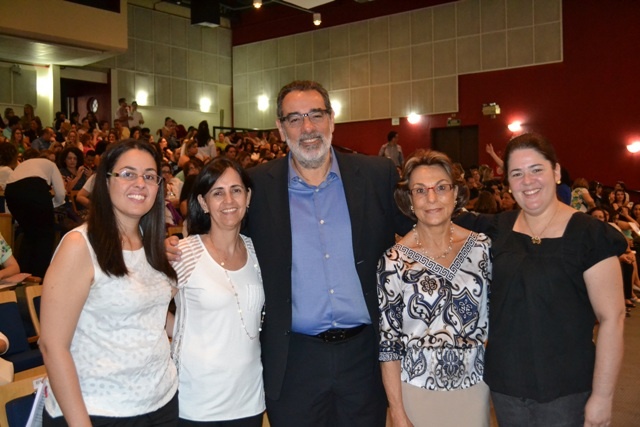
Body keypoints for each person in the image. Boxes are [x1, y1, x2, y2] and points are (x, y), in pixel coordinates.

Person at [457, 132, 626, 426]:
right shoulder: (498, 228)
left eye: (537, 170)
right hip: (506, 387)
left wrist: (603, 397)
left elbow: (613, 318)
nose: (528, 181)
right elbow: (437, 220)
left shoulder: (589, 235)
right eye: (517, 173)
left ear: (556, 171)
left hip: (567, 391)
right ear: (507, 182)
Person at [39, 139, 179, 426]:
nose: (140, 183)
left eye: (150, 176)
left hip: (160, 401)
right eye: (128, 174)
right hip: (99, 409)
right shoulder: (80, 246)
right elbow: (52, 346)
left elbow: (149, 314)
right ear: (105, 181)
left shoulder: (150, 244)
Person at [378, 150, 491, 427]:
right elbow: (388, 346)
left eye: (441, 187)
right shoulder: (395, 260)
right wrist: (397, 412)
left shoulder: (482, 247)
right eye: (420, 190)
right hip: (415, 393)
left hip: (474, 389)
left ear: (456, 193)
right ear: (409, 200)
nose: (431, 198)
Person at [170, 157, 265, 426]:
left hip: (249, 400)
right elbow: (146, 311)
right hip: (197, 402)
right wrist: (180, 330)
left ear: (247, 197)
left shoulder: (257, 252)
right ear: (203, 203)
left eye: (236, 190)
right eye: (218, 193)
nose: (228, 201)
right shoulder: (184, 252)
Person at [4, 151, 66, 277]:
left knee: (29, 233)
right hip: (33, 188)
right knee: (46, 234)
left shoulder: (26, 164)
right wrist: (52, 204)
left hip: (11, 191)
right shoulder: (51, 165)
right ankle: (39, 277)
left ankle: (23, 274)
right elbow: (61, 194)